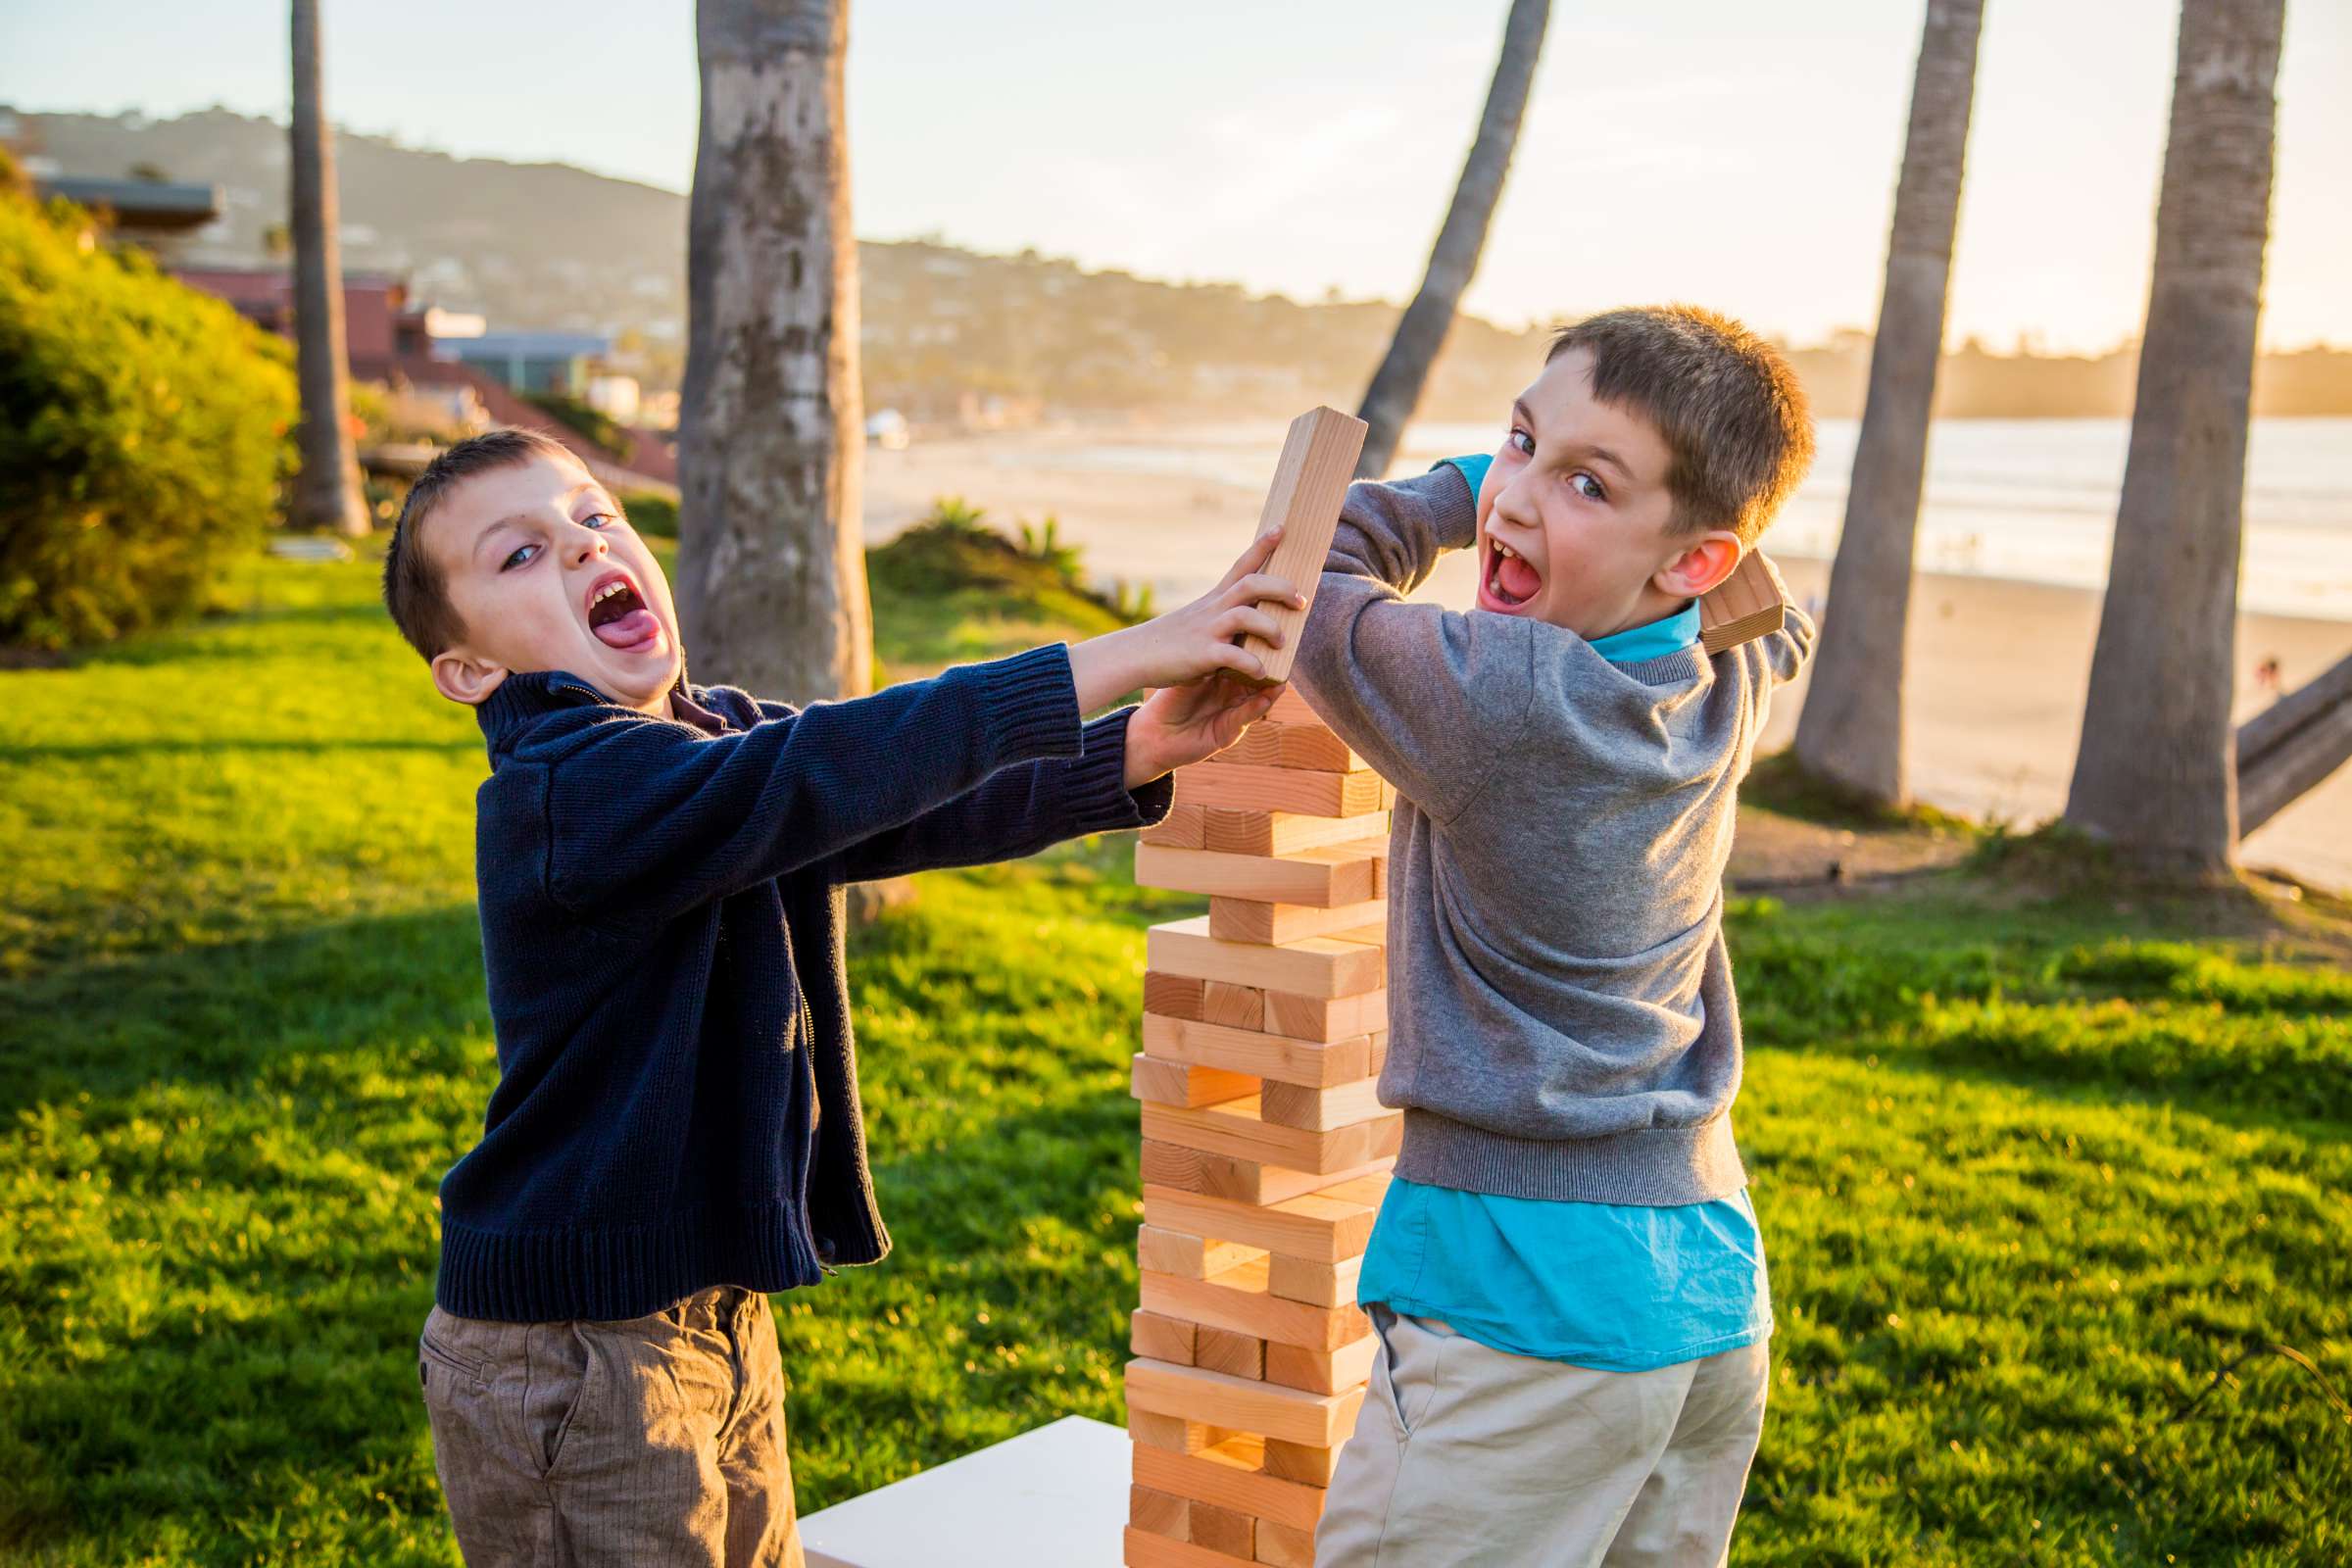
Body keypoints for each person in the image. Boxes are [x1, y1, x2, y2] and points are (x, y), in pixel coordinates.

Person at [380, 426, 1297, 1566]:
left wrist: (1132, 748)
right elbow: (828, 764)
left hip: (701, 1308)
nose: (577, 546)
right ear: (470, 670)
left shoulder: (700, 730)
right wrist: (1126, 652)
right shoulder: (569, 791)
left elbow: (898, 805)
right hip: (569, 1346)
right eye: (518, 554)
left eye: (592, 515)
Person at [1292, 307, 1818, 1566]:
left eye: (1588, 482)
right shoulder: (1723, 686)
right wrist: (1584, 501)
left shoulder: (1512, 699)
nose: (1520, 503)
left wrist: (1454, 493)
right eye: (1520, 439)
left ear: (1693, 560)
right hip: (1704, 1293)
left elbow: (1307, 590)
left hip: (1523, 1303)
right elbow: (1770, 610)